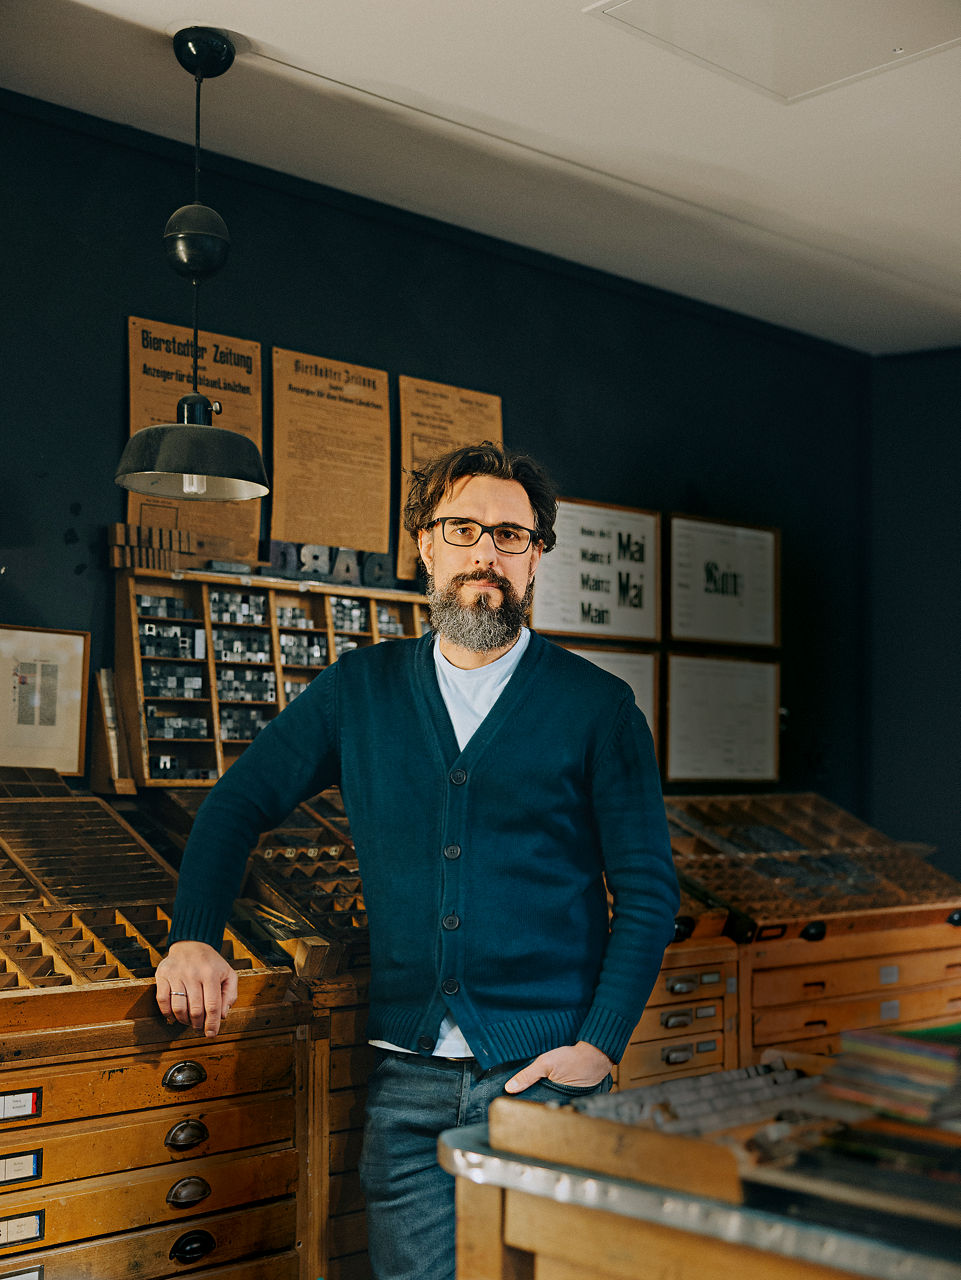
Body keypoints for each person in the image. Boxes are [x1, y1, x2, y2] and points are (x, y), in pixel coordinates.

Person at [156, 440, 680, 1280]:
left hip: (544, 1079)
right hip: (407, 1087)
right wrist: (194, 935)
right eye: (463, 528)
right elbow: (234, 804)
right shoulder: (357, 689)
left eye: (511, 536)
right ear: (424, 546)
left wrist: (599, 1045)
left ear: (538, 555)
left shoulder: (596, 707)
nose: (486, 553)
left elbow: (650, 891)